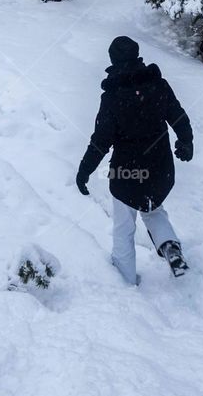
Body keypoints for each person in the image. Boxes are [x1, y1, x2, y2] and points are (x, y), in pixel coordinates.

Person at [76, 35, 194, 284]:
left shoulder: (112, 98)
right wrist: (186, 141)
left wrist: (84, 170)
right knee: (153, 210)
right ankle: (169, 246)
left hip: (127, 174)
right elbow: (178, 116)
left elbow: (101, 141)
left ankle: (124, 279)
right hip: (161, 170)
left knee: (124, 226)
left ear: (112, 60)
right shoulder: (158, 85)